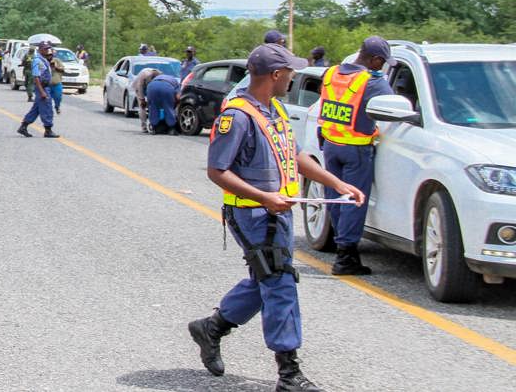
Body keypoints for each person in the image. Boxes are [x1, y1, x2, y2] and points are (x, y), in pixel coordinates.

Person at [188, 43, 364, 392]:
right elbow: (217, 170)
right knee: (279, 281)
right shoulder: (236, 116)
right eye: (291, 72)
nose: (295, 76)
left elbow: (295, 156)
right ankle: (289, 374)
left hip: (278, 212)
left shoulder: (277, 111)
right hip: (252, 213)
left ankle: (212, 328)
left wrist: (338, 183)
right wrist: (264, 197)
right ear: (275, 74)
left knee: (267, 278)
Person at [318, 36, 395, 275]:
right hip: (356, 149)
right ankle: (346, 257)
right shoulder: (371, 81)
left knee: (337, 198)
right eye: (381, 62)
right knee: (354, 200)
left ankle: (342, 246)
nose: (382, 67)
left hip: (331, 145)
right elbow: (394, 103)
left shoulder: (331, 74)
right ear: (374, 59)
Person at [17, 41, 59, 138]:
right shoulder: (37, 60)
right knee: (47, 108)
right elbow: (36, 77)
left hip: (45, 87)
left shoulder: (44, 59)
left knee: (36, 109)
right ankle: (48, 130)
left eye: (48, 48)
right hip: (42, 87)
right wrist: (42, 92)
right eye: (45, 49)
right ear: (40, 50)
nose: (47, 50)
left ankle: (23, 127)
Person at [129, 67, 161, 133]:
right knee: (142, 106)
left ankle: (154, 124)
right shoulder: (144, 75)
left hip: (151, 88)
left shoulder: (160, 75)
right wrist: (142, 99)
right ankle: (144, 127)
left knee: (152, 105)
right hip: (139, 87)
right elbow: (140, 87)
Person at [49, 49, 65, 114]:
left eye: (52, 54)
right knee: (47, 99)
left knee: (58, 97)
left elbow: (63, 70)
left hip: (57, 83)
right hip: (47, 84)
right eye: (49, 54)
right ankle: (48, 110)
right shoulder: (44, 61)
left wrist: (56, 67)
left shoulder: (57, 61)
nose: (50, 55)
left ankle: (57, 106)